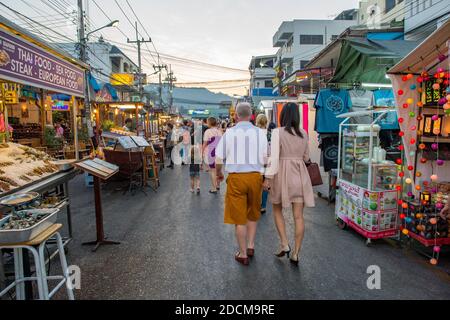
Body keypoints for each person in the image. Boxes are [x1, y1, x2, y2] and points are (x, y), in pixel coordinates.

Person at [216, 103, 268, 266]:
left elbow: (218, 158)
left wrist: (218, 173)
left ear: (236, 116)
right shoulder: (261, 133)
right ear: (252, 116)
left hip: (237, 178)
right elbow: (266, 158)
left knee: (239, 218)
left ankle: (243, 253)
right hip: (255, 177)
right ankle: (251, 246)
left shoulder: (229, 133)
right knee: (253, 213)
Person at [263, 102, 315, 265]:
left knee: (277, 209)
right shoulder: (304, 133)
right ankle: (296, 253)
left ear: (282, 116)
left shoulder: (278, 132)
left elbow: (274, 157)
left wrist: (267, 178)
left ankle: (284, 243)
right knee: (299, 216)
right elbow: (306, 157)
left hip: (282, 176)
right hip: (300, 175)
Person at [203, 117, 223, 194]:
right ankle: (218, 185)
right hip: (219, 152)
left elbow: (205, 143)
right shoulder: (219, 131)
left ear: (209, 123)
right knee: (218, 170)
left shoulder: (208, 131)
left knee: (213, 171)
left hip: (211, 152)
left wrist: (202, 152)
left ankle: (214, 188)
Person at [256, 114, 269, 214]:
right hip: (267, 161)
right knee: (265, 185)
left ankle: (255, 204)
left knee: (256, 185)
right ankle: (263, 206)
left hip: (256, 162)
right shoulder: (270, 133)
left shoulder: (253, 133)